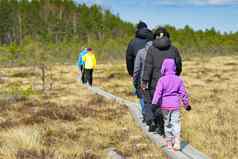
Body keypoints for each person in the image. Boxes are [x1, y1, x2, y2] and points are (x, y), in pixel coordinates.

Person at [141, 27, 182, 134]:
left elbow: (148, 67)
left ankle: (161, 126)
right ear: (168, 36)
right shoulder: (174, 49)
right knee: (168, 104)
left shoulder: (151, 49)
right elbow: (178, 66)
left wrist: (145, 81)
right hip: (171, 82)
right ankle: (166, 128)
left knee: (157, 104)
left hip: (155, 82)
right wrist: (175, 77)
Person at [152, 58, 191, 150]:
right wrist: (186, 105)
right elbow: (183, 93)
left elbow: (158, 93)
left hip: (164, 106)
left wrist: (154, 103)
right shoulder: (178, 80)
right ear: (174, 68)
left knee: (167, 123)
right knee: (176, 123)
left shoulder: (162, 80)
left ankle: (169, 143)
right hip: (175, 106)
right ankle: (177, 142)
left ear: (164, 68)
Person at [133, 41, 152, 121]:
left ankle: (146, 115)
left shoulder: (140, 52)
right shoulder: (157, 51)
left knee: (143, 97)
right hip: (155, 80)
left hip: (143, 80)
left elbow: (136, 68)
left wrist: (135, 80)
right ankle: (153, 117)